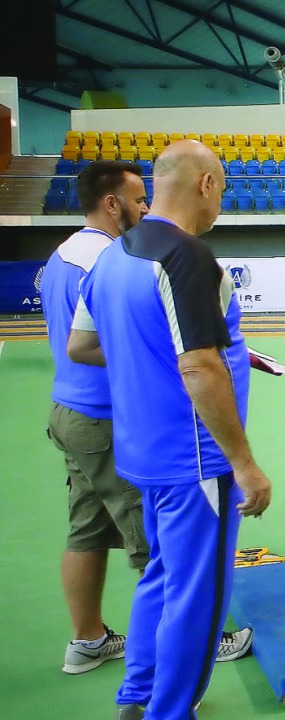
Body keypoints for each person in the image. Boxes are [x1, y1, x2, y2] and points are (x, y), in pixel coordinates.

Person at [68, 139, 271, 720]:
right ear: (207, 183)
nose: (223, 200)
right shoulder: (186, 258)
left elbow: (85, 344)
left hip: (144, 449)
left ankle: (135, 701)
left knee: (162, 576)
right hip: (195, 459)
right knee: (200, 592)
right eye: (224, 187)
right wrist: (244, 463)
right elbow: (200, 365)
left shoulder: (110, 258)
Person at [42, 161, 150, 674]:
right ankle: (197, 640)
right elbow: (93, 345)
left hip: (69, 412)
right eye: (139, 199)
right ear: (113, 204)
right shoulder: (109, 260)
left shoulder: (62, 254)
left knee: (86, 531)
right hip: (106, 420)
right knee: (152, 533)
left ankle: (87, 641)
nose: (146, 208)